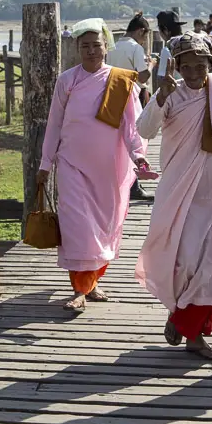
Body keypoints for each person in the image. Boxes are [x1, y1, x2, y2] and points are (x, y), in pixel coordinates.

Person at [136, 33, 212, 360]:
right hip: (178, 190)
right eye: (185, 66)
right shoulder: (171, 95)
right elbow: (144, 130)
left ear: (210, 63)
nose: (193, 73)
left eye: (199, 65)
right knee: (183, 258)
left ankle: (193, 332)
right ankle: (179, 312)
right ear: (176, 66)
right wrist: (160, 95)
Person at [37, 18, 150, 313]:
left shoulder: (121, 80)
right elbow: (54, 125)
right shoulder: (67, 81)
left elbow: (130, 126)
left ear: (106, 47)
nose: (90, 51)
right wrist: (45, 163)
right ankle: (79, 290)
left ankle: (92, 283)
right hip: (72, 165)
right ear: (77, 49)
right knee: (78, 229)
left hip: (108, 169)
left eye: (96, 45)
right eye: (84, 46)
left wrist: (139, 156)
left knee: (104, 227)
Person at [106, 12, 156, 201]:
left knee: (118, 141)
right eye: (146, 36)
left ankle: (120, 181)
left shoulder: (113, 47)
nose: (145, 41)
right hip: (132, 97)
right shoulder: (135, 48)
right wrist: (151, 64)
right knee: (136, 140)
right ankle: (134, 185)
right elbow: (143, 77)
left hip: (113, 96)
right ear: (141, 31)